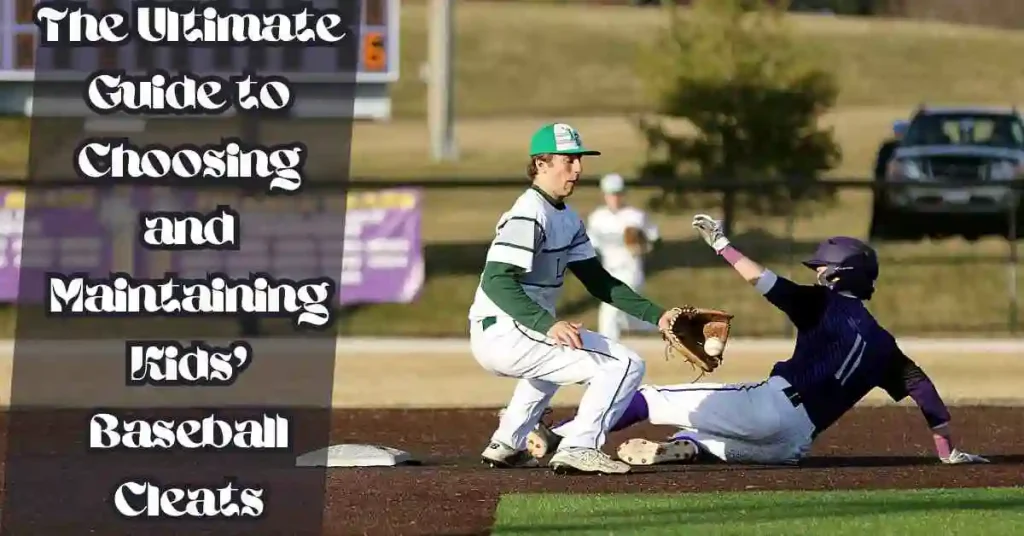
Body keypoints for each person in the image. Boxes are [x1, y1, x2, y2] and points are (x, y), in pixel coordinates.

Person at [526, 215, 989, 466]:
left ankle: (560, 436)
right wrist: (946, 451)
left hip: (772, 406)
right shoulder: (885, 345)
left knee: (648, 399)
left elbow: (764, 281)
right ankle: (688, 446)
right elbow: (923, 391)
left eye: (823, 267)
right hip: (795, 445)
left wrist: (721, 245)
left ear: (839, 273)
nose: (818, 272)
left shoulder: (822, 304)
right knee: (710, 437)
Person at [467, 123, 687, 475]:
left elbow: (598, 281)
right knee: (626, 365)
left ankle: (507, 442)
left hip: (512, 330)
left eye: (579, 160)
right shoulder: (530, 213)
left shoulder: (567, 217)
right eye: (567, 160)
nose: (578, 169)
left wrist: (657, 316)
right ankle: (580, 446)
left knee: (551, 367)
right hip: (507, 329)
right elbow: (496, 281)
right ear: (541, 164)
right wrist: (548, 323)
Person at [586, 173, 661, 341]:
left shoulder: (636, 216)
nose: (615, 197)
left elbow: (655, 240)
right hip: (608, 273)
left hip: (630, 271)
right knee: (629, 320)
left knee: (609, 310)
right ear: (604, 195)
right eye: (612, 193)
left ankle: (607, 355)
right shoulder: (597, 219)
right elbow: (591, 247)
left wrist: (643, 248)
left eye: (618, 193)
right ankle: (666, 324)